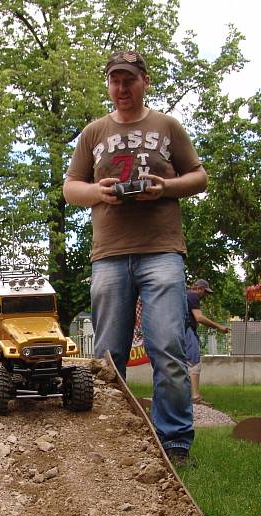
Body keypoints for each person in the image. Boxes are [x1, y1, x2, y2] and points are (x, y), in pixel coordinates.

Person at [63, 50, 208, 466]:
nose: (122, 89)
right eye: (115, 81)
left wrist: (164, 187)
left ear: (144, 81)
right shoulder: (93, 133)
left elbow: (199, 177)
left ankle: (174, 444)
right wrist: (99, 192)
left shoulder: (167, 126)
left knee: (168, 347)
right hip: (108, 254)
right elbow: (72, 188)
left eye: (129, 80)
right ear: (109, 85)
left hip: (162, 251)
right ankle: (112, 439)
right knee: (108, 355)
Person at [185, 279, 230, 403]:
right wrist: (219, 326)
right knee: (194, 362)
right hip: (186, 330)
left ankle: (182, 395)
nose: (205, 296)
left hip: (177, 330)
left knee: (182, 363)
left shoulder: (184, 294)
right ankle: (195, 396)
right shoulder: (193, 295)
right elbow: (199, 317)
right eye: (205, 292)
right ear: (199, 288)